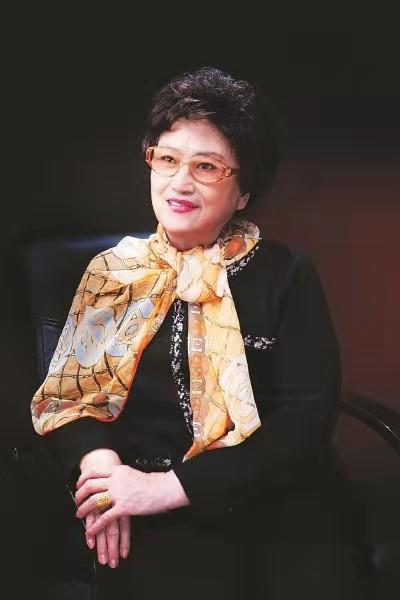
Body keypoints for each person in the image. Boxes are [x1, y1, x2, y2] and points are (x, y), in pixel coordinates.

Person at [31, 67, 359, 599]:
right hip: (147, 504)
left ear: (244, 192)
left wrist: (170, 489)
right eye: (167, 159)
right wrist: (104, 476)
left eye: (206, 166)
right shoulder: (113, 274)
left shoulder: (285, 273)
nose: (180, 182)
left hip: (273, 499)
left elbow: (305, 422)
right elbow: (71, 402)